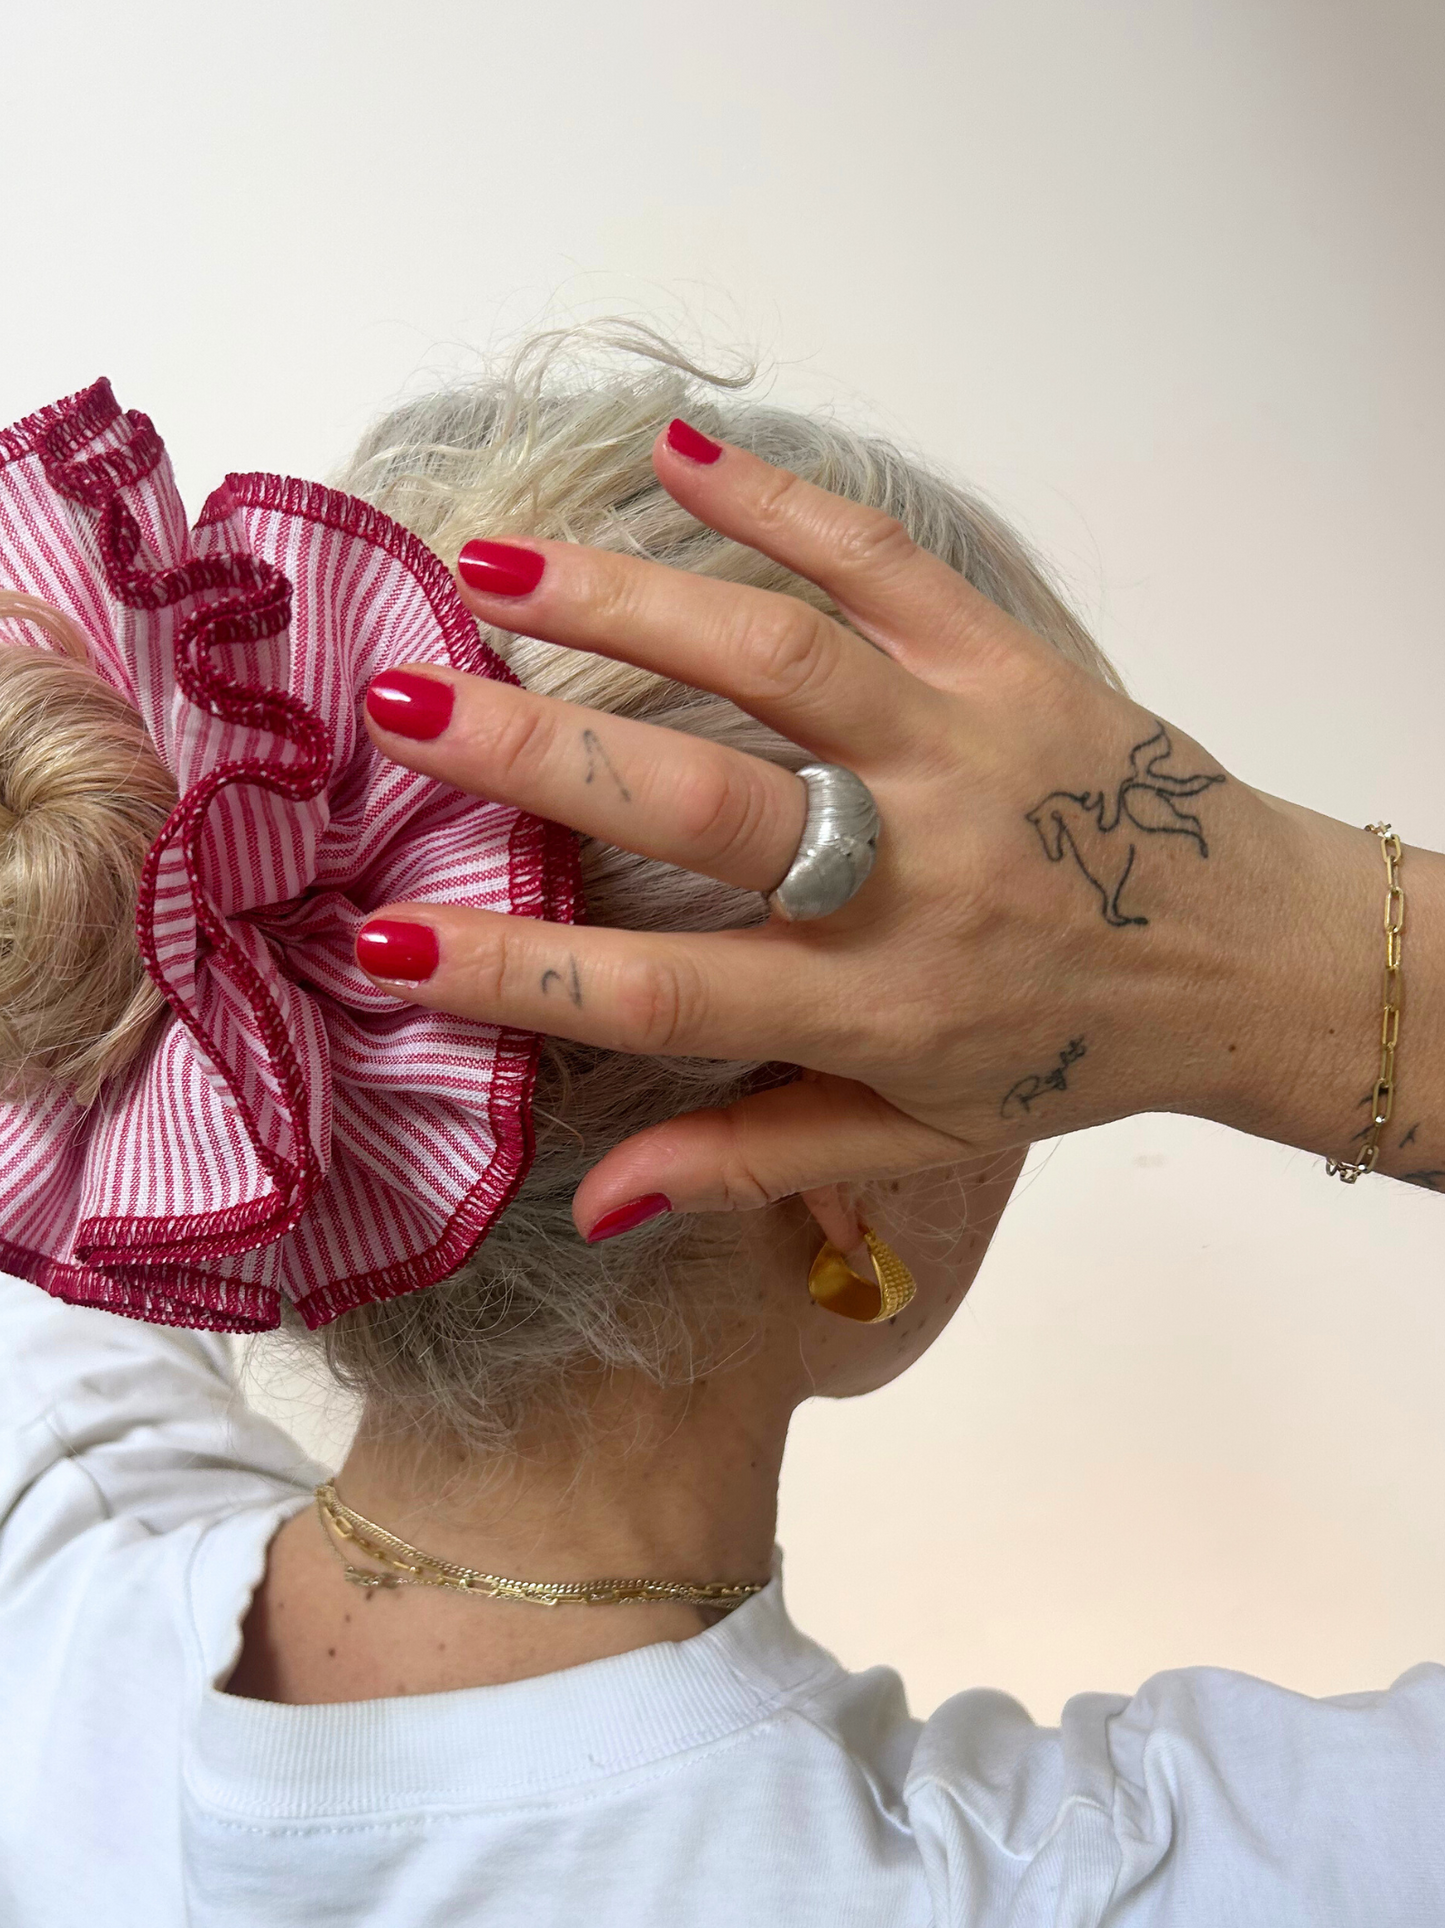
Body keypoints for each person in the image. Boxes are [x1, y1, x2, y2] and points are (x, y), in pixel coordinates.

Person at [0, 328, 1440, 1926]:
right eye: (1067, 1023)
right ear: (841, 1162)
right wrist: (1275, 949)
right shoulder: (1123, 1883)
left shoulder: (48, 1563)